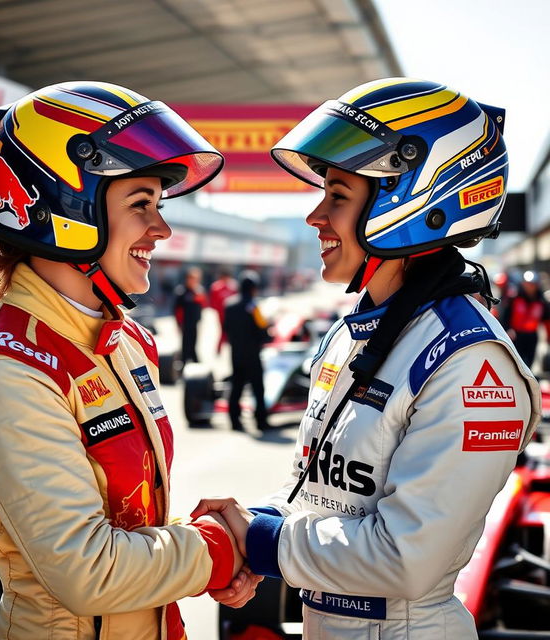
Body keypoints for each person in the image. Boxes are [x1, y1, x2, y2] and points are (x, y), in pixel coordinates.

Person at [192, 78, 541, 638]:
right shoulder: (350, 334)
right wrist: (259, 526)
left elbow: (407, 556)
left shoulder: (473, 363)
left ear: (411, 201)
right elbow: (321, 495)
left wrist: (260, 544)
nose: (315, 217)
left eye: (337, 195)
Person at [0, 81, 245, 640]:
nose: (162, 229)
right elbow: (87, 570)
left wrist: (200, 547)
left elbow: (126, 518)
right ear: (68, 210)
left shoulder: (123, 340)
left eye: (159, 205)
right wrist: (218, 548)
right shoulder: (6, 370)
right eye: (140, 204)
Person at [224, 270, 270, 431]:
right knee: (258, 388)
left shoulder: (229, 305)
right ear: (253, 288)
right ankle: (261, 422)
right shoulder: (253, 306)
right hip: (252, 355)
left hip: (236, 353)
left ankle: (234, 421)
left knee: (236, 387)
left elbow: (226, 328)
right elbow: (263, 331)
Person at [498, 270, 550, 367]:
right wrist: (508, 329)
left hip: (532, 335)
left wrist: (548, 336)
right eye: (527, 284)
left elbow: (546, 319)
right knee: (517, 362)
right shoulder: (514, 298)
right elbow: (505, 316)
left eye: (533, 284)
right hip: (516, 335)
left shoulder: (541, 301)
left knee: (530, 361)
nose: (530, 287)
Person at [173, 266, 207, 363]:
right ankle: (184, 359)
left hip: (195, 322)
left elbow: (203, 305)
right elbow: (176, 309)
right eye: (192, 278)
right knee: (185, 343)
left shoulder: (199, 291)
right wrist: (178, 323)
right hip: (185, 323)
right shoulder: (181, 291)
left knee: (194, 342)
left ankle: (194, 358)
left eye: (196, 279)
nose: (194, 281)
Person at [209, 266, 238, 352]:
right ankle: (219, 347)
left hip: (231, 314)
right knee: (222, 330)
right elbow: (212, 301)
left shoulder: (233, 286)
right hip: (221, 313)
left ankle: (228, 345)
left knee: (230, 330)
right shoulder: (216, 287)